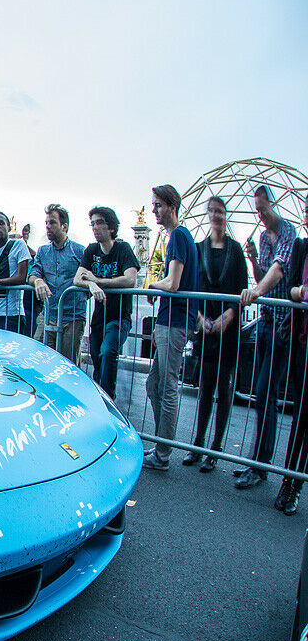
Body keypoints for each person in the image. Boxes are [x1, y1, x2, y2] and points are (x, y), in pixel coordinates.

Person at [235, 185, 298, 489]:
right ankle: (257, 462)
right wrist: (252, 259)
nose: (259, 215)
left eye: (262, 209)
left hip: (283, 324)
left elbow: (280, 270)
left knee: (264, 392)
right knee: (263, 395)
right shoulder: (262, 236)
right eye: (256, 210)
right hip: (266, 321)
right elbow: (263, 278)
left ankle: (260, 465)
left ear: (273, 204)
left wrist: (257, 291)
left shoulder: (288, 230)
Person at [182, 197, 247, 473]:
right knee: (205, 388)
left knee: (224, 387)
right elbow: (191, 287)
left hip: (228, 331)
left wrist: (226, 318)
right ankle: (198, 444)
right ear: (207, 214)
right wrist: (200, 319)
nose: (216, 216)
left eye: (220, 211)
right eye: (212, 211)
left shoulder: (236, 250)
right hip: (206, 329)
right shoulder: (199, 249)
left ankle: (216, 447)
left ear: (225, 215)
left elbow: (243, 291)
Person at [142, 185, 198, 470]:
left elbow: (174, 283)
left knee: (166, 387)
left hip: (173, 321)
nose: (154, 210)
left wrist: (152, 285)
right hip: (172, 320)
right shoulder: (182, 236)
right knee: (154, 384)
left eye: (158, 205)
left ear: (172, 206)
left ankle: (163, 453)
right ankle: (163, 442)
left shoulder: (177, 235)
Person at [75, 207, 140, 400]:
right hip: (99, 318)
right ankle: (99, 399)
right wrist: (92, 284)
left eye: (99, 222)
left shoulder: (123, 249)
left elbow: (130, 279)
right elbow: (77, 279)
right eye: (92, 223)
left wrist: (98, 281)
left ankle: (108, 401)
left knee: (108, 352)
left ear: (111, 227)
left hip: (119, 316)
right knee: (96, 357)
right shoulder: (92, 250)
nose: (95, 227)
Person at [276, 199, 308, 514]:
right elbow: (290, 288)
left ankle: (295, 484)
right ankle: (289, 481)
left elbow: (300, 291)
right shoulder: (301, 246)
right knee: (299, 418)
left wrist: (302, 292)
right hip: (301, 342)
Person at [29, 204, 87, 361]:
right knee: (37, 359)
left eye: (52, 222)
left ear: (64, 226)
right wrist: (39, 281)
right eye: (46, 223)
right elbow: (32, 275)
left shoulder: (79, 251)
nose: (48, 226)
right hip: (48, 314)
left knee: (68, 364)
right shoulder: (42, 251)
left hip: (73, 317)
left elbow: (87, 280)